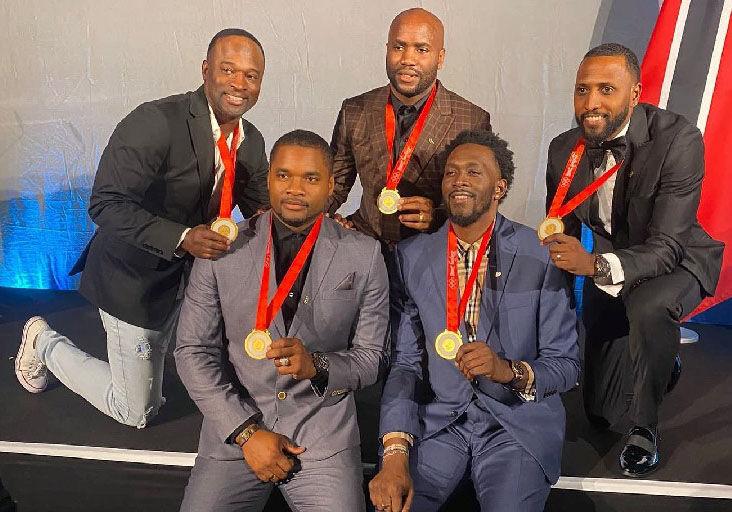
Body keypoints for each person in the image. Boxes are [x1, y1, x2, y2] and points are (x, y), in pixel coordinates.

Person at [14, 28, 269, 428]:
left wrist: (321, 225)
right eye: (228, 70)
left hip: (187, 282)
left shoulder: (250, 140)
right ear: (206, 71)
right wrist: (183, 238)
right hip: (133, 280)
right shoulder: (156, 122)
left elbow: (263, 210)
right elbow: (106, 204)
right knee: (136, 410)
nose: (240, 84)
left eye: (251, 75)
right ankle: (44, 344)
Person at [175, 130, 389, 512]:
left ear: (331, 186)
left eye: (310, 178)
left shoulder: (366, 255)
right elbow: (193, 351)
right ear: (269, 178)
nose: (295, 188)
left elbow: (371, 359)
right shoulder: (222, 249)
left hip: (322, 437)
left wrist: (319, 366)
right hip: (236, 429)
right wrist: (245, 432)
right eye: (284, 175)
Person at [370, 130, 580, 512]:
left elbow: (565, 364)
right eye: (451, 173)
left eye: (473, 172)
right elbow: (404, 364)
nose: (459, 180)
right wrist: (394, 454)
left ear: (499, 188)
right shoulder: (411, 256)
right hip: (440, 423)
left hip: (515, 426)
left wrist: (507, 371)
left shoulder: (541, 255)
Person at [543, 43, 724, 477]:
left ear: (635, 93)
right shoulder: (563, 149)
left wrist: (595, 267)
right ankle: (664, 361)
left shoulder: (679, 139)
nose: (592, 103)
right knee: (600, 414)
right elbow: (561, 228)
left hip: (679, 257)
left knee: (649, 308)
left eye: (607, 89)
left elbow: (666, 246)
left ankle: (645, 429)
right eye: (582, 90)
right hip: (610, 258)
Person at [329, 7, 491, 245]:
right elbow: (335, 185)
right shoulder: (354, 110)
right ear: (387, 50)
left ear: (441, 58)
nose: (407, 59)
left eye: (422, 49)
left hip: (432, 250)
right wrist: (312, 217)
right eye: (399, 47)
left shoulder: (472, 120)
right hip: (365, 242)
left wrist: (438, 215)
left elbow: (480, 199)